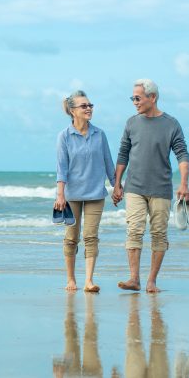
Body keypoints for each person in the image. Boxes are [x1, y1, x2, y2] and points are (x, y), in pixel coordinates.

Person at [111, 79, 189, 293]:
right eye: (133, 98)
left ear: (152, 97)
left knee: (159, 234)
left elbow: (182, 154)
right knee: (134, 231)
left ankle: (151, 282)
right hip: (134, 187)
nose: (134, 102)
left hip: (161, 189)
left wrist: (184, 184)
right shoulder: (131, 123)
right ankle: (134, 279)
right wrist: (117, 184)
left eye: (137, 98)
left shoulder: (171, 124)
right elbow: (123, 154)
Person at [55, 90, 116, 292]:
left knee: (91, 237)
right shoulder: (64, 136)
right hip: (71, 195)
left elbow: (108, 162)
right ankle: (71, 280)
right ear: (73, 111)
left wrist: (116, 186)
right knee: (71, 238)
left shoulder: (100, 134)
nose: (89, 108)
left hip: (96, 194)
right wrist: (60, 195)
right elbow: (62, 168)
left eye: (90, 105)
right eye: (84, 106)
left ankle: (89, 281)